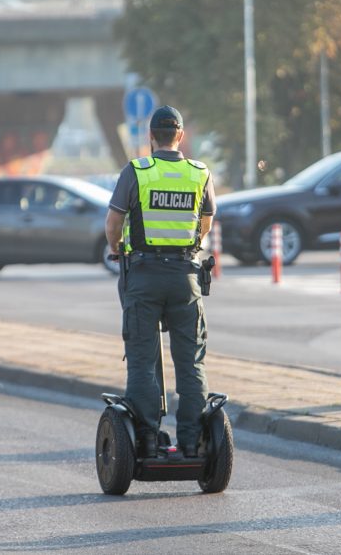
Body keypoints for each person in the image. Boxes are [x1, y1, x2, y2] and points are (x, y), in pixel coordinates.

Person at [105, 105, 216, 459]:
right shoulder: (200, 173)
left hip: (143, 276)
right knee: (191, 363)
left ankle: (148, 440)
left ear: (151, 137)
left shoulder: (137, 171)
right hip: (185, 278)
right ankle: (192, 442)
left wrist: (117, 248)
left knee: (141, 359)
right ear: (180, 136)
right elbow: (206, 224)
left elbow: (113, 222)